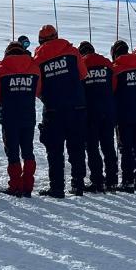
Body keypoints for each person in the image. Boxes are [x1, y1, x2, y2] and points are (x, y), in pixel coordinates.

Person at [34, 25, 88, 197]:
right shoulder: (72, 52)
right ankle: (78, 184)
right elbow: (83, 74)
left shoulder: (38, 58)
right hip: (77, 107)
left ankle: (57, 187)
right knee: (77, 147)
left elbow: (38, 88)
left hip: (53, 109)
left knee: (55, 150)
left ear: (41, 39)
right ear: (56, 36)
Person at [0, 41, 42, 196]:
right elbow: (37, 91)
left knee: (13, 153)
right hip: (28, 116)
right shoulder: (34, 68)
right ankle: (28, 185)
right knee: (28, 151)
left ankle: (15, 185)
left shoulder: (1, 70)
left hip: (9, 117)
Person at [79, 41, 118, 193]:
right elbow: (114, 84)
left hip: (90, 112)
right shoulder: (107, 63)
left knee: (92, 147)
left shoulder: (81, 63)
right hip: (108, 110)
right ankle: (112, 180)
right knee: (108, 146)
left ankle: (97, 181)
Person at [111, 40, 136, 192]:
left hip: (124, 114)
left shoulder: (116, 69)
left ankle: (128, 180)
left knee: (126, 148)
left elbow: (112, 90)